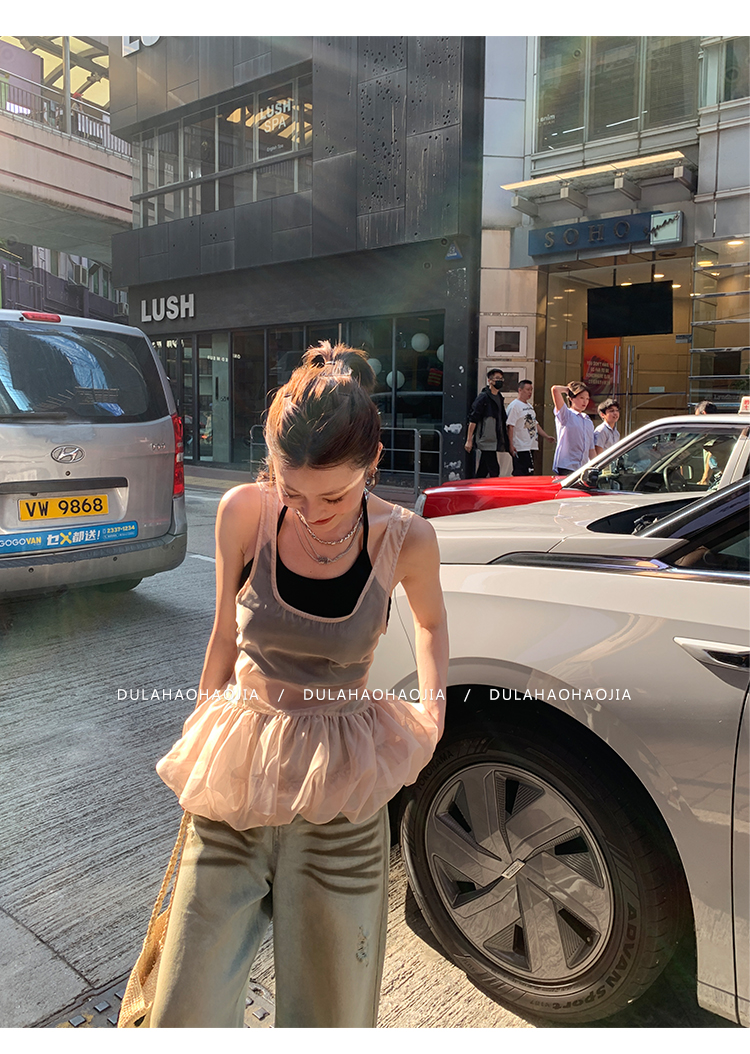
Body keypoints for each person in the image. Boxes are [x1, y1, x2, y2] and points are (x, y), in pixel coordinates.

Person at [150, 343, 448, 1028]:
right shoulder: (244, 512)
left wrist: (433, 717)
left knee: (330, 1013)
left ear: (373, 463)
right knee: (184, 1008)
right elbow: (223, 633)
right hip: (240, 772)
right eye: (293, 492)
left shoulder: (406, 539)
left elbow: (432, 625)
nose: (313, 511)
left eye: (335, 496)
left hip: (341, 790)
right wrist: (201, 731)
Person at [465, 368, 511, 478]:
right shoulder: (483, 397)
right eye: (497, 379)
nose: (500, 381)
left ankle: (476, 484)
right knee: (494, 469)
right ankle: (494, 487)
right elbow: (473, 419)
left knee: (483, 469)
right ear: (489, 381)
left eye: (501, 379)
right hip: (486, 439)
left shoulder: (499, 397)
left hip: (495, 439)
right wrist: (469, 440)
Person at [506, 379, 555, 476]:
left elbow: (535, 423)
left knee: (530, 471)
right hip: (520, 446)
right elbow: (510, 426)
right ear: (520, 390)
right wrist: (511, 445)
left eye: (531, 390)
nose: (530, 392)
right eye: (527, 389)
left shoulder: (529, 406)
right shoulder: (515, 406)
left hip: (531, 444)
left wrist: (546, 436)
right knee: (522, 472)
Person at [550, 381, 596, 475]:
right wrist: (569, 390)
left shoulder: (588, 421)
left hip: (583, 468)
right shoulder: (566, 415)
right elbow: (555, 389)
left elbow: (591, 448)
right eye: (581, 398)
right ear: (571, 399)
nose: (585, 402)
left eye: (587, 399)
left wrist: (596, 466)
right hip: (567, 466)